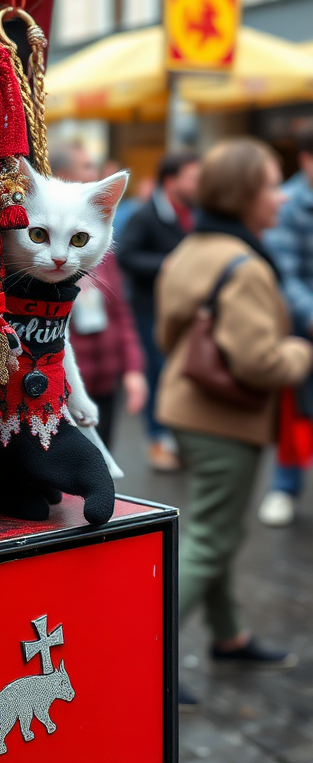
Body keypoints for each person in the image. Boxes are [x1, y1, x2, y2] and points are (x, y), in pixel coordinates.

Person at [155, 138, 312, 707]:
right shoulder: (244, 264)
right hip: (225, 420)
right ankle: (151, 657)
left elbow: (168, 335)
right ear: (246, 193)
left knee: (215, 529)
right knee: (212, 538)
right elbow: (259, 361)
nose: (280, 195)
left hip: (189, 408)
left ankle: (229, 637)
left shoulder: (194, 247)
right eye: (272, 183)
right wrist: (299, 351)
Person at [50, 143, 148, 446]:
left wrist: (133, 369)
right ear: (65, 176)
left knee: (103, 458)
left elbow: (120, 311)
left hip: (106, 381)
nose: (95, 173)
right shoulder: (48, 249)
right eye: (87, 166)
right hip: (60, 386)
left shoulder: (97, 242)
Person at [118, 151, 200, 471]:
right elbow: (127, 256)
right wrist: (167, 265)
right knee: (156, 371)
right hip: (150, 309)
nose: (199, 184)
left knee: (179, 373)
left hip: (186, 310)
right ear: (171, 180)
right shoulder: (145, 214)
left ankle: (178, 436)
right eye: (193, 178)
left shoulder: (195, 212)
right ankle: (158, 439)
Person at [259, 135, 313, 526]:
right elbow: (285, 274)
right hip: (301, 329)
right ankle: (284, 488)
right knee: (295, 415)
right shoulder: (288, 203)